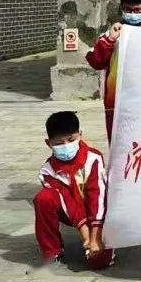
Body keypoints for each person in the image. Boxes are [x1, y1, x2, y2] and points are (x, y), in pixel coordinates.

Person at [34, 111, 113, 270]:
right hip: (71, 213)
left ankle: (103, 238)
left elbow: (96, 194)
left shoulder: (93, 158)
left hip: (99, 211)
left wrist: (95, 236)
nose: (66, 146)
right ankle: (53, 251)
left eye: (71, 140)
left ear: (80, 135)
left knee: (99, 262)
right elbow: (66, 201)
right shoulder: (47, 171)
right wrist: (86, 236)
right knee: (43, 198)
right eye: (59, 143)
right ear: (48, 143)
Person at [85, 0, 141, 140]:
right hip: (117, 102)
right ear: (121, 7)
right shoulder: (111, 34)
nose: (132, 13)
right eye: (128, 10)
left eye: (137, 10)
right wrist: (110, 40)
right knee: (119, 144)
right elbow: (96, 62)